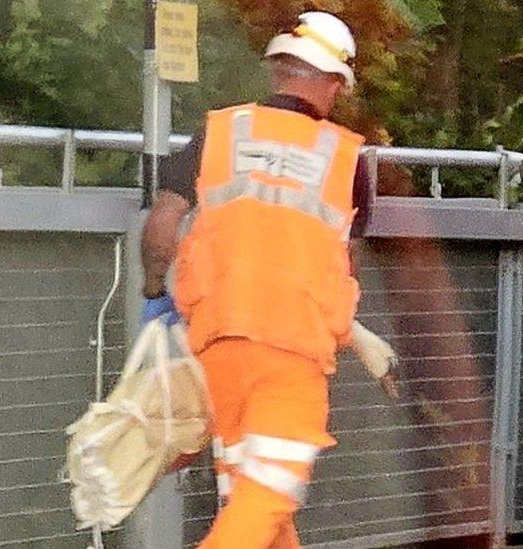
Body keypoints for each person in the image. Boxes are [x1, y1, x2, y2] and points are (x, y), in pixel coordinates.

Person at [141, 11, 397, 548]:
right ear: (333, 82)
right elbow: (334, 269)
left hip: (218, 349)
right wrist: (354, 335)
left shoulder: (220, 131)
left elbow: (164, 219)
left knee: (254, 500)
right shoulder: (345, 158)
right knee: (269, 496)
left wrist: (152, 294)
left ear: (279, 70)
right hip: (292, 354)